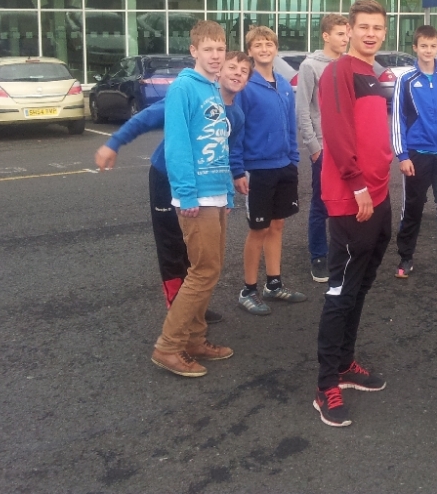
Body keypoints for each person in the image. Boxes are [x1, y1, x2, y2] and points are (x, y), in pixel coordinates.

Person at [94, 52, 251, 323]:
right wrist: (114, 143)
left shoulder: (236, 114)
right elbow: (146, 118)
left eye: (244, 70)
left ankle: (193, 306)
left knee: (197, 247)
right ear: (219, 72)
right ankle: (178, 309)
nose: (237, 73)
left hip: (203, 184)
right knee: (172, 244)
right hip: (167, 176)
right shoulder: (190, 96)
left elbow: (228, 150)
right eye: (232, 67)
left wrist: (234, 177)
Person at [313, 0, 393, 428]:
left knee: (360, 285)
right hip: (353, 197)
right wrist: (357, 183)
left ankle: (345, 363)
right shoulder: (339, 71)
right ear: (349, 30)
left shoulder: (376, 74)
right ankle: (326, 383)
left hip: (379, 196)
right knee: (341, 291)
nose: (370, 34)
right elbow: (337, 130)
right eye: (363, 27)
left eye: (377, 27)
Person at [151, 20, 235, 378]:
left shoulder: (212, 88)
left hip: (215, 194)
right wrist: (185, 194)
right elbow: (178, 145)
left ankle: (195, 339)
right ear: (194, 51)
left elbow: (220, 144)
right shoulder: (184, 88)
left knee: (210, 269)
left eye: (220, 49)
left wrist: (227, 191)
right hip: (196, 197)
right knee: (202, 271)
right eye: (208, 49)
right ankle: (168, 346)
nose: (215, 55)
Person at [232, 26, 305, 314]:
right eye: (258, 45)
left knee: (277, 225)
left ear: (276, 48)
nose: (264, 49)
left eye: (269, 44)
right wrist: (238, 170)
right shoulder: (245, 86)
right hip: (257, 169)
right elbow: (237, 130)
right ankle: (248, 290)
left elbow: (290, 125)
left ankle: (273, 285)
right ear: (250, 51)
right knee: (259, 229)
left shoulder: (284, 84)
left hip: (283, 166)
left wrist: (293, 158)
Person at [391, 24, 437, 277]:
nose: (428, 50)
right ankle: (405, 257)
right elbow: (398, 118)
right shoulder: (406, 80)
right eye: (423, 46)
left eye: (432, 46)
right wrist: (402, 155)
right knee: (413, 207)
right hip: (417, 153)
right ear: (415, 47)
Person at [296, 14, 350, 283]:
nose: (346, 38)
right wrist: (314, 146)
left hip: (348, 147)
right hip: (324, 148)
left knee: (347, 201)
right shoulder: (310, 66)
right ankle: (318, 255)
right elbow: (302, 109)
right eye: (340, 33)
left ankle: (342, 251)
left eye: (347, 33)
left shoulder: (349, 63)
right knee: (321, 203)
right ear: (326, 36)